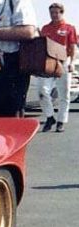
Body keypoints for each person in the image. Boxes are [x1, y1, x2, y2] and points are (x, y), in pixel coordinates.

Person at [37, 3, 76, 133]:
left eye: (56, 12)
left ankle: (61, 121)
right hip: (48, 63)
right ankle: (50, 117)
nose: (54, 15)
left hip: (63, 62)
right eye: (51, 13)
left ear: (61, 13)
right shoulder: (45, 28)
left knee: (64, 93)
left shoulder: (69, 28)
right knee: (42, 90)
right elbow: (41, 46)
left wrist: (71, 62)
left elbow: (72, 47)